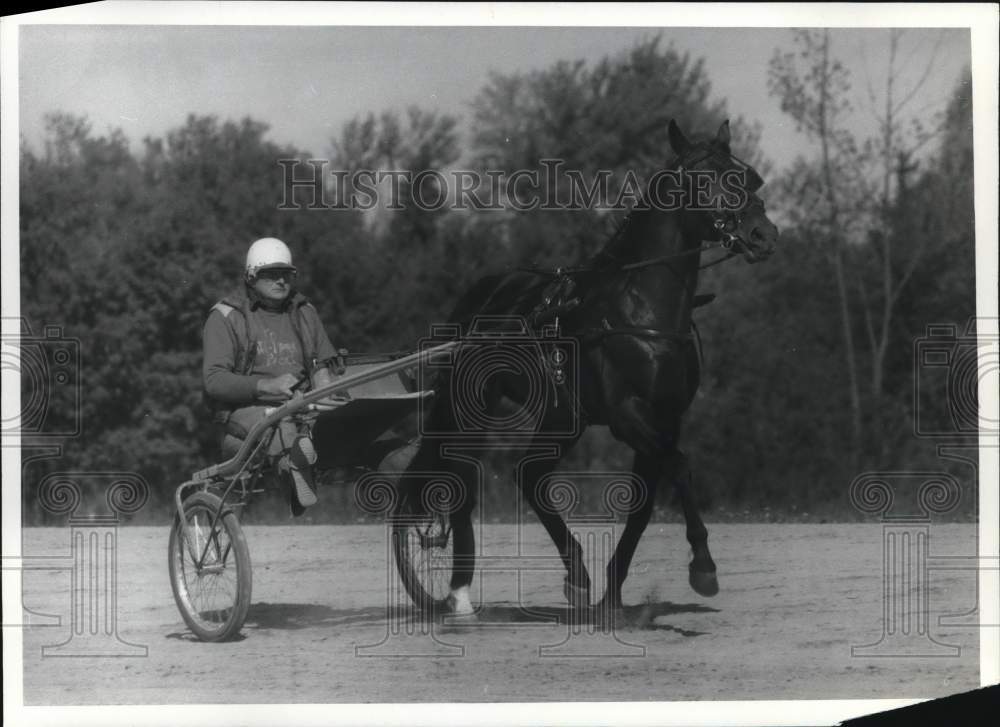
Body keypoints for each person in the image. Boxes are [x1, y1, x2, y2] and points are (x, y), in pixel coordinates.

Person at [202, 237, 339, 516]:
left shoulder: (305, 312)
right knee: (282, 420)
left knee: (335, 413)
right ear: (251, 277)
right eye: (271, 274)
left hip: (303, 404)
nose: (280, 281)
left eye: (286, 274)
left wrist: (328, 395)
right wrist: (267, 385)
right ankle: (294, 475)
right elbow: (214, 381)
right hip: (247, 412)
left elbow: (322, 366)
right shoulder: (226, 316)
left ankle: (304, 462)